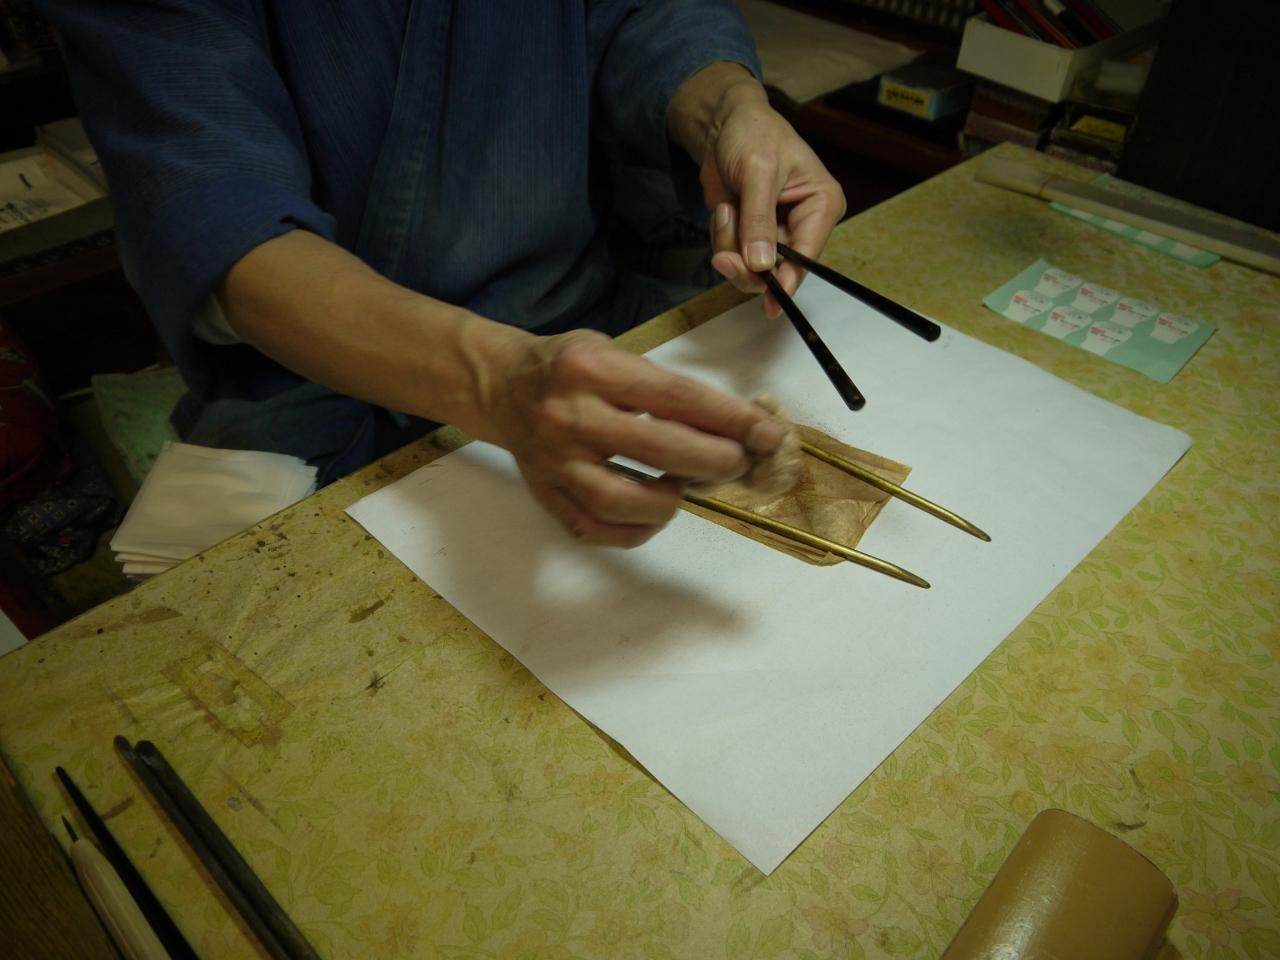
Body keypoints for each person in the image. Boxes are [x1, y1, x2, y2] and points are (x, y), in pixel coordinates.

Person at [40, 1, 845, 547]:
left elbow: (639, 11)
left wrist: (731, 108)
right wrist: (497, 380)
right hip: (312, 375)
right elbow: (212, 204)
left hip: (579, 318)